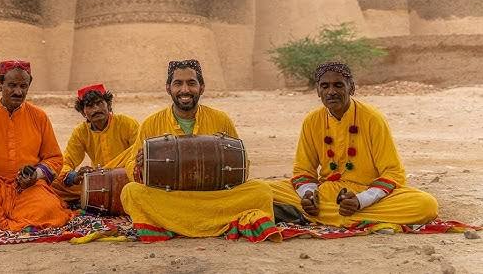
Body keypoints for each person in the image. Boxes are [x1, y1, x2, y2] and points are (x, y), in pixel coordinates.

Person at [121, 60, 280, 242]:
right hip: (173, 197)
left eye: (191, 83)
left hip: (214, 196)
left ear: (202, 87)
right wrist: (140, 166)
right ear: (168, 88)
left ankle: (174, 224)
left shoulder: (220, 119)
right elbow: (130, 164)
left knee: (261, 190)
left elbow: (243, 163)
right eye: (178, 83)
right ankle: (216, 223)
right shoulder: (151, 123)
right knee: (131, 192)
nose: (185, 90)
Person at [268, 61, 438, 227]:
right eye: (325, 86)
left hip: (366, 194)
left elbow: (393, 172)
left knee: (425, 205)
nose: (331, 92)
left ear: (352, 88)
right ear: (318, 92)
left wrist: (361, 200)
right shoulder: (312, 121)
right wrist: (309, 196)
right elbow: (303, 170)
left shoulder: (373, 119)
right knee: (262, 189)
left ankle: (310, 215)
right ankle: (326, 214)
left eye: (338, 85)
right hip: (325, 193)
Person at [0, 60, 72, 232]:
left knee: (48, 209)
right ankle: (16, 224)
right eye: (11, 85)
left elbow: (54, 158)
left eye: (23, 86)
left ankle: (3, 225)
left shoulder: (39, 117)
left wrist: (35, 175)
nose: (18, 92)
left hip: (28, 189)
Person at [51, 84, 139, 202]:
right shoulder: (80, 132)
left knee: (136, 156)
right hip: (98, 181)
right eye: (90, 106)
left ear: (108, 105)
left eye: (99, 103)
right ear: (83, 112)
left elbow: (140, 154)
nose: (96, 109)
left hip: (127, 177)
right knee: (53, 184)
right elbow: (66, 162)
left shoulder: (127, 124)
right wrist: (75, 177)